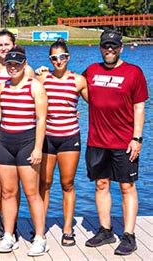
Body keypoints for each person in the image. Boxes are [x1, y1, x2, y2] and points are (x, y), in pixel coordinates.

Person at [82, 30, 148, 256]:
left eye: (113, 46)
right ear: (100, 48)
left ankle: (129, 235)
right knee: (101, 184)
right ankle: (105, 230)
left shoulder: (133, 72)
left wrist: (137, 138)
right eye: (105, 46)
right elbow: (74, 85)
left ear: (120, 47)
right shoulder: (91, 70)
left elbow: (139, 106)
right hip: (97, 140)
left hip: (124, 141)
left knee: (126, 186)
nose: (109, 50)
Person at [0, 29, 36, 238]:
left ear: (14, 45)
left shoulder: (26, 70)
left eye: (7, 44)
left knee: (16, 181)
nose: (3, 48)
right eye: (0, 45)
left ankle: (10, 221)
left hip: (19, 130)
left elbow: (39, 97)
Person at [0, 46, 49, 256]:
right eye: (9, 64)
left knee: (31, 193)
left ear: (24, 64)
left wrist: (38, 148)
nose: (13, 68)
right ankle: (9, 235)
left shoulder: (35, 87)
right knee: (8, 193)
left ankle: (40, 238)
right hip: (5, 143)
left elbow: (41, 119)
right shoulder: (2, 87)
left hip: (27, 142)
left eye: (17, 64)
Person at [35, 38, 88, 246]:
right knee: (45, 184)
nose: (59, 61)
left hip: (69, 138)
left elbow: (99, 104)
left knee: (67, 184)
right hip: (47, 137)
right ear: (50, 60)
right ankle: (41, 228)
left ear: (68, 57)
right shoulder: (42, 79)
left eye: (62, 57)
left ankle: (67, 229)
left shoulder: (78, 80)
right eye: (54, 58)